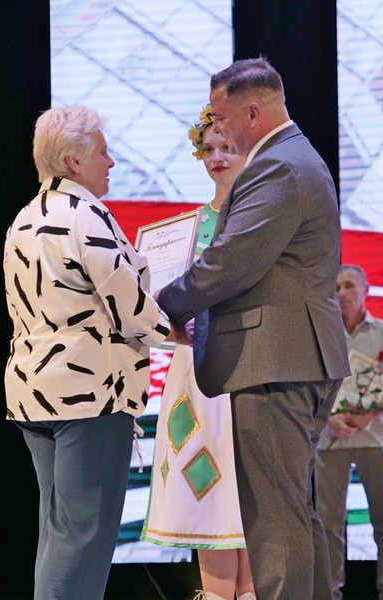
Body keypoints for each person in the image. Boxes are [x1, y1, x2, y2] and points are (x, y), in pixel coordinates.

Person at [155, 57, 350, 600]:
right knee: (291, 509)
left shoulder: (278, 165)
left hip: (277, 359)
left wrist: (160, 305)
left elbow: (229, 262)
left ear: (253, 113)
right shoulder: (291, 157)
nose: (216, 128)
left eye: (221, 118)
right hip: (292, 355)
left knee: (274, 518)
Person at [2, 106, 178, 600]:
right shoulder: (85, 215)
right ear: (73, 162)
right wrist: (179, 330)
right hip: (88, 394)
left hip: (36, 391)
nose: (112, 162)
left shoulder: (24, 218)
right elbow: (130, 308)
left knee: (60, 533)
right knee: (83, 536)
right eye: (103, 152)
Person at [141, 106, 255, 600]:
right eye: (208, 149)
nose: (217, 157)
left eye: (226, 147)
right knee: (205, 492)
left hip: (248, 365)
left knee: (249, 495)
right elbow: (157, 308)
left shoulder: (262, 220)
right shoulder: (184, 229)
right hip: (194, 373)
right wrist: (169, 325)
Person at [315, 264, 383, 600]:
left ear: (366, 290)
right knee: (328, 524)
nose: (342, 293)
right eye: (336, 287)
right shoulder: (320, 333)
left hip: (374, 439)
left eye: (349, 285)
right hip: (330, 440)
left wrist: (371, 415)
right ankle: (330, 591)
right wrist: (329, 419)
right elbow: (310, 388)